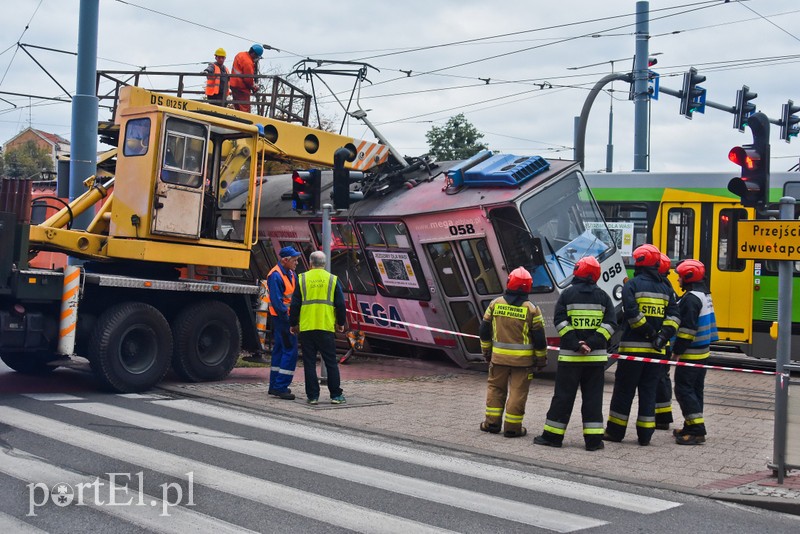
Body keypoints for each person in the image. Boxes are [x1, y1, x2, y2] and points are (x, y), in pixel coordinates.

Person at [533, 256, 616, 451]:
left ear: (577, 271)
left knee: (563, 397)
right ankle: (594, 442)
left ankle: (553, 437)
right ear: (596, 275)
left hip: (570, 358)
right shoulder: (603, 297)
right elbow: (611, 324)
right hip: (595, 360)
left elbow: (560, 322)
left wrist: (576, 344)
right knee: (593, 399)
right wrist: (592, 344)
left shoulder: (567, 295)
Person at [604, 244, 680, 446]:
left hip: (632, 351)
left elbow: (631, 313)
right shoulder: (666, 288)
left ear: (638, 262)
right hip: (656, 353)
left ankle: (615, 432)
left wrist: (649, 331)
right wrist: (662, 337)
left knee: (624, 391)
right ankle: (645, 435)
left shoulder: (632, 285)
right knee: (648, 392)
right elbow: (674, 317)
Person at [479, 267, 548, 438]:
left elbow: (484, 330)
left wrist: (486, 351)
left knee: (495, 389)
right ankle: (512, 428)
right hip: (523, 363)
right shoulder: (532, 309)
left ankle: (492, 424)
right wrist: (541, 360)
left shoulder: (495, 304)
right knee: (518, 393)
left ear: (510, 282)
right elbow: (539, 338)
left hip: (498, 359)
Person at [289, 251, 347, 405]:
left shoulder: (302, 279)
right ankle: (335, 395)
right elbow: (341, 304)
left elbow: (295, 304)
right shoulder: (332, 280)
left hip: (307, 327)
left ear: (310, 263)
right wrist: (340, 322)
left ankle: (313, 396)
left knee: (309, 363)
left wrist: (293, 324)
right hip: (325, 326)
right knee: (330, 362)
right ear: (325, 264)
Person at [672, 259, 719, 445]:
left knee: (683, 389)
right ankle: (690, 425)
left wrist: (677, 350)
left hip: (691, 353)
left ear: (688, 277)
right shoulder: (704, 295)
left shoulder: (691, 299)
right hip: (703, 352)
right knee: (695, 390)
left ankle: (697, 430)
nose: (678, 281)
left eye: (680, 277)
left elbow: (687, 329)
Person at [267, 246, 302, 400]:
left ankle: (274, 385)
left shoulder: (290, 273)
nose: (297, 263)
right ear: (285, 260)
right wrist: (290, 321)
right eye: (294, 260)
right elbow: (277, 302)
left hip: (284, 318)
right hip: (283, 319)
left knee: (280, 351)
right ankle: (280, 386)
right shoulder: (275, 275)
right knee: (290, 351)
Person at [655, 253, 676, 430]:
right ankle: (663, 416)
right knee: (663, 379)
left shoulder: (660, 287)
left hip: (659, 344)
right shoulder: (667, 286)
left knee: (659, 380)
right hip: (666, 343)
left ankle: (661, 418)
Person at [229, 44, 263, 112]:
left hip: (233, 84)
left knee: (237, 107)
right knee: (245, 109)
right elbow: (248, 79)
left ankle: (237, 120)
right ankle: (244, 122)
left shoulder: (240, 54)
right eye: (257, 56)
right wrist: (253, 87)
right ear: (254, 54)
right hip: (241, 88)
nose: (256, 58)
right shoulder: (248, 62)